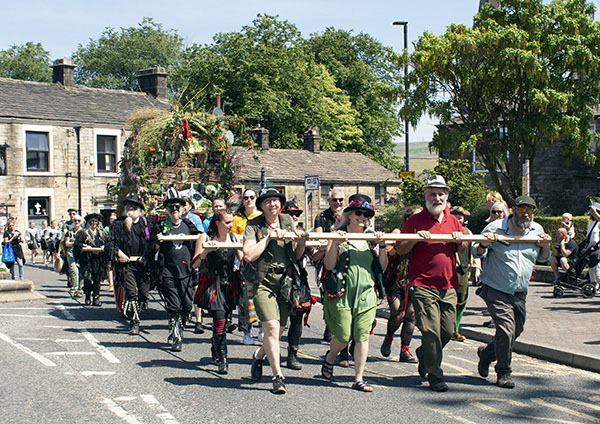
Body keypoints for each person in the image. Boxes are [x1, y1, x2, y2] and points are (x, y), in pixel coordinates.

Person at [396, 175, 467, 392]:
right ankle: (435, 375)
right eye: (433, 193)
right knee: (430, 332)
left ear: (447, 196)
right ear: (426, 195)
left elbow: (462, 248)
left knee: (446, 332)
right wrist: (416, 238)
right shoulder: (415, 220)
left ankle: (424, 355)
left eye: (441, 193)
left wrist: (460, 241)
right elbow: (400, 249)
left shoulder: (453, 220)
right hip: (423, 285)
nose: (437, 197)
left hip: (448, 285)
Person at [473, 195, 551, 389]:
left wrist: (546, 246)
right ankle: (504, 372)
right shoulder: (495, 228)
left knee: (516, 330)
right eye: (522, 209)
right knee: (506, 330)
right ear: (514, 210)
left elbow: (543, 259)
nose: (525, 214)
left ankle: (486, 354)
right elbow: (475, 251)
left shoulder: (537, 230)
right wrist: (484, 244)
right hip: (496, 288)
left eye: (530, 211)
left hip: (519, 292)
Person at [320, 194, 386, 392]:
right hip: (342, 294)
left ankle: (358, 378)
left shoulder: (370, 239)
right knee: (343, 335)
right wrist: (334, 242)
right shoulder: (338, 235)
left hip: (366, 294)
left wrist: (382, 245)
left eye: (366, 214)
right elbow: (329, 264)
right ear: (349, 214)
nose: (362, 217)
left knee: (362, 336)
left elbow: (381, 267)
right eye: (359, 212)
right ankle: (330, 356)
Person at [243, 188, 306, 395]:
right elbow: (249, 255)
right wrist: (269, 238)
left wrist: (301, 241)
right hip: (263, 281)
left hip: (285, 281)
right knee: (270, 327)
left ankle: (259, 356)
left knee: (277, 332)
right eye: (268, 201)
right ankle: (278, 376)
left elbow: (297, 255)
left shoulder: (287, 220)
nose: (273, 205)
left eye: (276, 201)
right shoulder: (253, 225)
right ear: (261, 206)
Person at [194, 209, 242, 373]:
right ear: (217, 223)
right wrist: (206, 250)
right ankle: (223, 359)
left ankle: (215, 346)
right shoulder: (205, 237)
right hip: (212, 284)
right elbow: (194, 265)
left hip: (230, 284)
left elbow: (244, 260)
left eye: (232, 222)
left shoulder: (234, 238)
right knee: (220, 318)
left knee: (223, 321)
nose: (231, 225)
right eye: (228, 222)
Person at [153, 189, 200, 352]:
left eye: (177, 207)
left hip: (186, 271)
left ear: (183, 209)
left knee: (187, 306)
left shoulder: (189, 226)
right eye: (171, 207)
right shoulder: (161, 227)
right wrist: (157, 241)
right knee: (174, 306)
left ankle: (180, 329)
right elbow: (152, 247)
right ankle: (176, 336)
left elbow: (199, 242)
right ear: (167, 210)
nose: (174, 210)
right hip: (168, 272)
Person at [313, 188, 351, 366]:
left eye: (341, 200)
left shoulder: (351, 215)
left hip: (349, 261)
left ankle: (345, 347)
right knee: (333, 300)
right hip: (329, 263)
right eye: (335, 200)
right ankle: (339, 342)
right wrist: (331, 243)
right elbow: (320, 241)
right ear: (329, 201)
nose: (338, 203)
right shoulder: (322, 217)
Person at [107, 193, 154, 335]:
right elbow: (110, 243)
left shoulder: (147, 224)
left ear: (139, 209)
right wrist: (118, 253)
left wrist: (146, 257)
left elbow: (153, 245)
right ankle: (134, 322)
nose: (130, 208)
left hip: (143, 265)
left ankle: (138, 309)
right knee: (131, 293)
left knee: (144, 293)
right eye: (128, 206)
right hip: (126, 265)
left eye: (133, 206)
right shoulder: (119, 224)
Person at [380, 205, 422, 363]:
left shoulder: (424, 232)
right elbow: (389, 251)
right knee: (398, 314)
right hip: (396, 280)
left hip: (414, 279)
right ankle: (389, 337)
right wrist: (407, 242)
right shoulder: (399, 232)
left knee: (411, 315)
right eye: (415, 217)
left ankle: (405, 349)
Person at [282, 199, 315, 371]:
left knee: (297, 319)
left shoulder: (302, 232)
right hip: (280, 278)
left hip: (298, 280)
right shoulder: (277, 231)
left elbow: (312, 256)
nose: (294, 217)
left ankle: (292, 354)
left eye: (296, 214)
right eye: (290, 214)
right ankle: (263, 353)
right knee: (277, 322)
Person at [233, 188, 262, 345]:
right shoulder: (238, 219)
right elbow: (236, 242)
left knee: (261, 297)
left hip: (261, 262)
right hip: (244, 262)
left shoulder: (261, 216)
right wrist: (242, 259)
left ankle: (262, 328)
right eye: (246, 198)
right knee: (245, 299)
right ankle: (246, 331)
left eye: (251, 197)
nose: (249, 200)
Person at [450, 206, 473, 342]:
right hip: (450, 269)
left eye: (461, 216)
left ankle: (456, 329)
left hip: (464, 269)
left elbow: (472, 252)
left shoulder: (468, 232)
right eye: (456, 216)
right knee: (449, 300)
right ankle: (449, 329)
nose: (458, 218)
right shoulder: (448, 230)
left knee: (462, 299)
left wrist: (476, 267)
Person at [73, 214, 108, 306]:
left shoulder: (102, 233)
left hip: (98, 259)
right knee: (87, 279)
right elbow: (76, 245)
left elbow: (108, 243)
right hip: (87, 259)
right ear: (88, 223)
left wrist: (105, 246)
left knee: (97, 279)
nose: (93, 224)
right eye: (92, 222)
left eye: (95, 222)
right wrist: (83, 246)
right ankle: (87, 296)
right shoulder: (83, 233)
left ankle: (96, 298)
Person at [64, 215, 84, 297]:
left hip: (80, 253)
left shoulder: (83, 232)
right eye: (75, 220)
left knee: (81, 270)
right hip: (71, 252)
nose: (76, 222)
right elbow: (66, 243)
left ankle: (81, 288)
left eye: (78, 221)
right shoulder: (69, 232)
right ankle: (75, 287)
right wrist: (76, 244)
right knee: (74, 270)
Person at [586, 203, 600, 292]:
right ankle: (594, 284)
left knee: (597, 268)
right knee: (591, 266)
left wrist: (595, 212)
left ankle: (598, 283)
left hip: (597, 247)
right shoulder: (592, 222)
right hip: (591, 246)